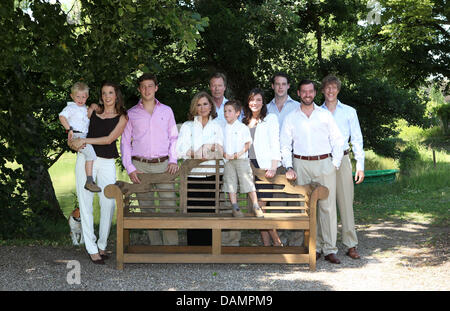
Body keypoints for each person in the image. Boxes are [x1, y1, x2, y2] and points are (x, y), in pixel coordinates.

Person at [280, 79, 345, 264]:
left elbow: (337, 140)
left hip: (324, 162)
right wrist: (289, 166)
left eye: (310, 91)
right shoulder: (291, 117)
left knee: (327, 207)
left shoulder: (324, 115)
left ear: (315, 93)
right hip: (300, 164)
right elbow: (285, 145)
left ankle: (330, 249)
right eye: (304, 91)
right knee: (307, 208)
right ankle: (313, 247)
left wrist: (335, 163)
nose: (307, 94)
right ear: (299, 94)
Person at [70, 81, 128, 264]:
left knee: (108, 203)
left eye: (110, 92)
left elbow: (109, 139)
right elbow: (77, 127)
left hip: (107, 162)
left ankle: (102, 245)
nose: (107, 96)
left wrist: (85, 140)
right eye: (104, 93)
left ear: (116, 95)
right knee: (85, 203)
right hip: (86, 160)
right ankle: (91, 247)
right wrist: (73, 140)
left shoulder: (123, 116)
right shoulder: (92, 110)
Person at [120, 73, 179, 246]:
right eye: (143, 86)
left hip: (164, 165)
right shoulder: (131, 114)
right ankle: (155, 246)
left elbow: (173, 137)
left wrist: (173, 160)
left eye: (150, 86)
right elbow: (125, 142)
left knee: (168, 206)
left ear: (156, 87)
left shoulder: (166, 111)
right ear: (139, 89)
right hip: (140, 166)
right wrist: (129, 167)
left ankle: (171, 247)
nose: (147, 90)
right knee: (147, 208)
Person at [320, 74, 365, 260]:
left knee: (346, 202)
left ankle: (350, 244)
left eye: (334, 88)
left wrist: (360, 165)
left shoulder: (349, 111)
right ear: (322, 90)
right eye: (327, 88)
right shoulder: (316, 112)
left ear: (338, 90)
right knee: (323, 204)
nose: (331, 91)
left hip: (344, 160)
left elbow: (357, 139)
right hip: (323, 161)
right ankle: (325, 245)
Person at [176, 91, 223, 245]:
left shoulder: (217, 125)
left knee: (211, 212)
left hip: (213, 175)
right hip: (193, 175)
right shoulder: (188, 126)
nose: (202, 107)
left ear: (211, 106)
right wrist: (194, 154)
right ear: (194, 107)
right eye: (199, 104)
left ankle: (211, 249)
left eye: (205, 104)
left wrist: (205, 148)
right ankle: (194, 249)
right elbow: (179, 150)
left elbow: (220, 150)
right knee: (194, 214)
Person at [242, 88, 283, 246]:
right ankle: (267, 246)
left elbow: (275, 143)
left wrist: (273, 166)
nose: (255, 103)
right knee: (257, 209)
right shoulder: (245, 121)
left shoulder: (270, 119)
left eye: (258, 100)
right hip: (250, 169)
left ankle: (277, 243)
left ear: (263, 102)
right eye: (252, 100)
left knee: (261, 208)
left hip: (265, 168)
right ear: (248, 102)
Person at [267, 72, 301, 246]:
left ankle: (296, 243)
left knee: (296, 202)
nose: (280, 87)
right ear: (273, 86)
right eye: (277, 84)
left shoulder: (298, 107)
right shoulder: (266, 108)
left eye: (284, 84)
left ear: (288, 86)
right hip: (275, 162)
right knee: (277, 203)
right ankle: (279, 241)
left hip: (294, 159)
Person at [222, 100, 264, 218]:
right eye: (225, 111)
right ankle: (235, 206)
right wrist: (224, 154)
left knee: (247, 182)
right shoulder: (223, 128)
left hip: (241, 160)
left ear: (237, 113)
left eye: (230, 111)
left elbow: (247, 144)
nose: (226, 113)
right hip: (228, 161)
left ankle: (256, 205)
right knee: (231, 183)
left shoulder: (242, 127)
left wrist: (238, 154)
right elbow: (220, 143)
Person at [59, 82, 101, 193]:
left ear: (87, 97)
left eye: (83, 97)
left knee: (89, 155)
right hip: (76, 135)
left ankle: (89, 180)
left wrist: (92, 108)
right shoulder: (71, 107)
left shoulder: (84, 108)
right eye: (78, 96)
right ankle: (89, 181)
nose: (81, 99)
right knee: (91, 155)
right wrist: (69, 129)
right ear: (72, 96)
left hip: (83, 136)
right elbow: (62, 117)